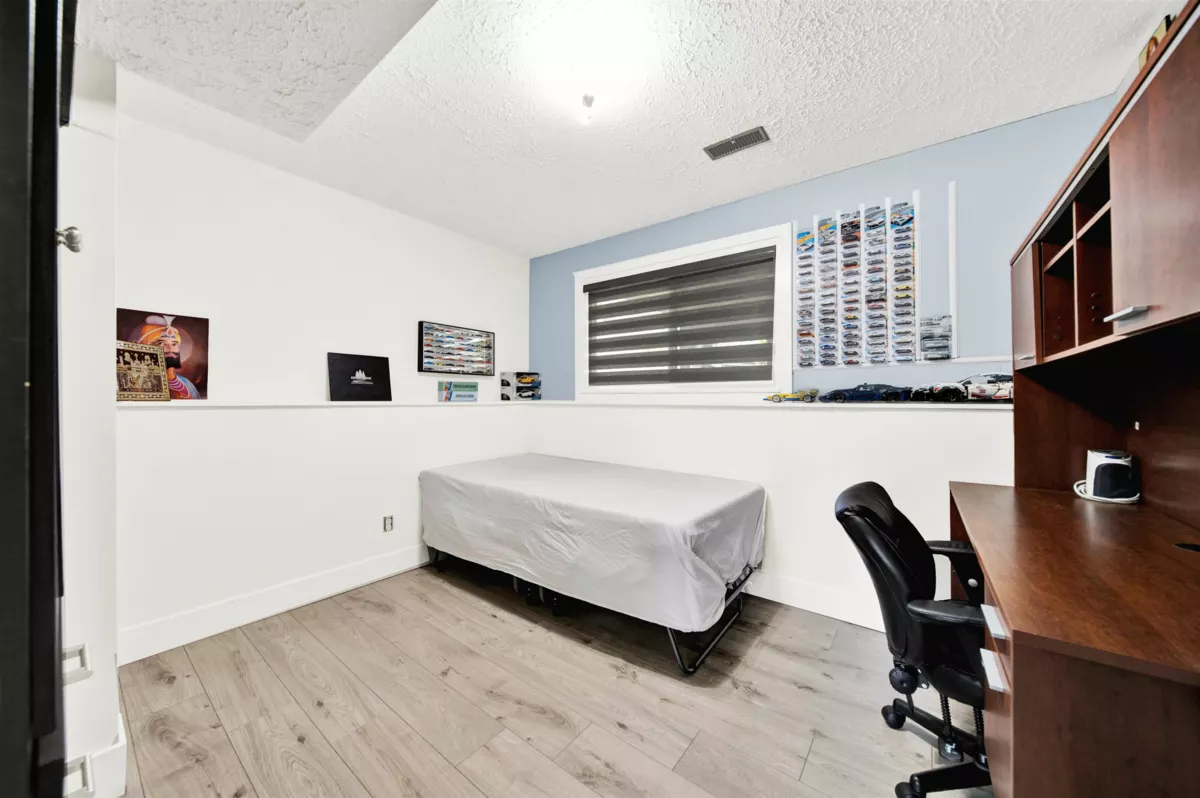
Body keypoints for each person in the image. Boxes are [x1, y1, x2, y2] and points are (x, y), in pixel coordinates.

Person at [134, 314, 200, 399]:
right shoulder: (135, 383)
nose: (170, 349)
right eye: (161, 343)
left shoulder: (187, 384)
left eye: (174, 344)